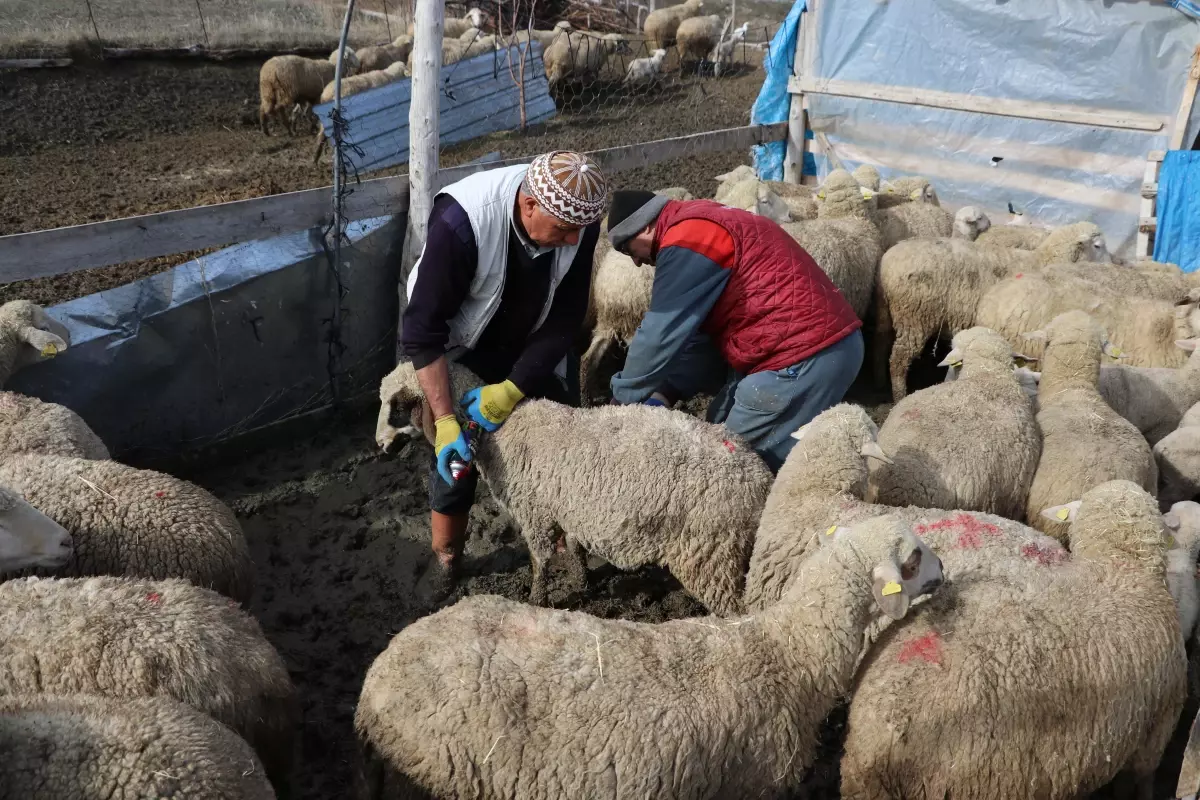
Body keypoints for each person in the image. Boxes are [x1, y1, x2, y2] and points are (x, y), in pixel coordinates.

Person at [400, 150, 608, 601]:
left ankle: (561, 549)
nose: (574, 241)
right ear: (529, 206)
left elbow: (568, 315)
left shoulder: (578, 220)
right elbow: (421, 332)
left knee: (563, 447)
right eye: (564, 231)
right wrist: (447, 419)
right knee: (455, 459)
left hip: (534, 337)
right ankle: (447, 557)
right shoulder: (463, 223)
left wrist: (513, 388)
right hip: (462, 343)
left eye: (580, 232)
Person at [604, 189, 863, 472]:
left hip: (802, 356)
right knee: (719, 426)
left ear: (646, 226)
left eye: (629, 250)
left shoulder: (688, 238)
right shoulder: (704, 219)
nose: (637, 262)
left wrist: (623, 400)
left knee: (727, 463)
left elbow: (660, 332)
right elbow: (700, 333)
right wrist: (667, 389)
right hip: (815, 346)